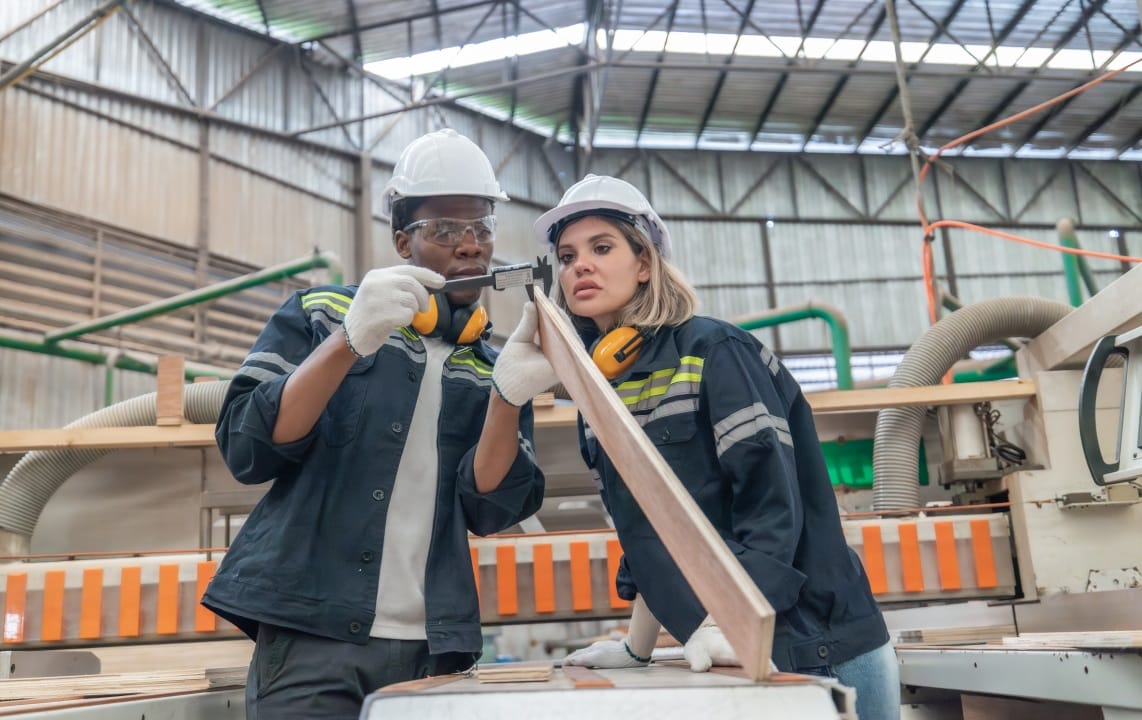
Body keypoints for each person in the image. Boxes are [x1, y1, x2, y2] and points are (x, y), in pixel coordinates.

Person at [202, 128, 559, 719]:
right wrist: (349, 341)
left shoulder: (492, 366)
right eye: (446, 230)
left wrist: (507, 398)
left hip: (433, 649)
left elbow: (490, 510)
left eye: (482, 228)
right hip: (311, 633)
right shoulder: (320, 315)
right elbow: (247, 446)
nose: (470, 246)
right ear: (402, 240)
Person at [545, 175, 900, 720]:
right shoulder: (600, 392)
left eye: (601, 247)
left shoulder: (714, 351)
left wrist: (729, 619)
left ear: (645, 264)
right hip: (730, 648)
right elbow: (651, 530)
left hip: (811, 643)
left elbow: (772, 505)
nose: (579, 266)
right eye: (567, 256)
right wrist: (639, 646)